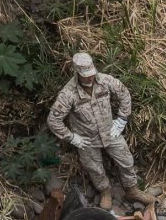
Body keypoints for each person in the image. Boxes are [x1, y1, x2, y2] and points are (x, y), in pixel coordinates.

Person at [48, 52, 156, 211]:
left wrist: (122, 119)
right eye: (85, 76)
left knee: (126, 160)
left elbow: (124, 94)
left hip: (110, 131)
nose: (89, 78)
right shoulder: (68, 93)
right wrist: (71, 137)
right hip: (86, 139)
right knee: (95, 168)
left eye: (91, 73)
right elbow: (53, 120)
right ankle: (105, 192)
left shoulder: (105, 80)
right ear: (77, 73)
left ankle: (132, 191)